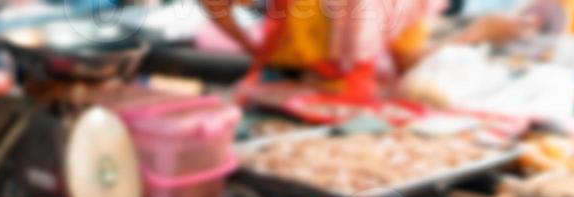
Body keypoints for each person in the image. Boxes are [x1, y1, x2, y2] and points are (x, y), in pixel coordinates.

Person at [201, 0, 543, 94]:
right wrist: (249, 46)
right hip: (276, 91)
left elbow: (409, 63)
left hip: (348, 100)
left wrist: (478, 32)